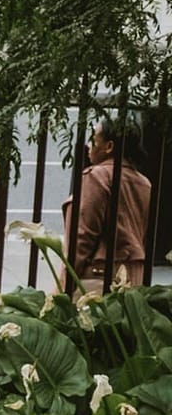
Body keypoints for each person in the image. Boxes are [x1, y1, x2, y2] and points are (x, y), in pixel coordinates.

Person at [66, 117, 154, 293]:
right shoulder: (144, 183)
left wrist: (64, 283)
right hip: (133, 279)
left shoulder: (97, 176)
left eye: (93, 138)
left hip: (98, 278)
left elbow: (82, 238)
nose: (89, 145)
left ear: (109, 147)